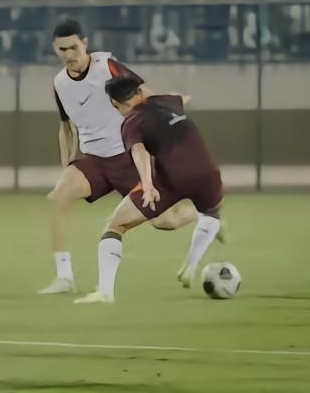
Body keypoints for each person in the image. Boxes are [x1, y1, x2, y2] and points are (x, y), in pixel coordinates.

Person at [41, 19, 198, 296]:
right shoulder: (59, 84)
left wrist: (169, 110)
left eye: (74, 47)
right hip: (94, 161)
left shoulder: (107, 67)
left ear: (85, 43)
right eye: (62, 49)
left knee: (165, 222)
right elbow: (65, 127)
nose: (69, 54)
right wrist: (67, 166)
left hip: (128, 157)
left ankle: (202, 214)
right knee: (57, 197)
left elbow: (144, 96)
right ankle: (64, 277)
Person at [74, 76, 224, 303]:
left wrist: (147, 184)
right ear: (140, 92)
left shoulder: (132, 122)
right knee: (212, 212)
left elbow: (139, 151)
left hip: (172, 178)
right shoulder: (167, 101)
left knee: (116, 225)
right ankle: (190, 266)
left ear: (116, 104)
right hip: (208, 173)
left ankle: (105, 292)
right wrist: (182, 100)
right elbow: (180, 97)